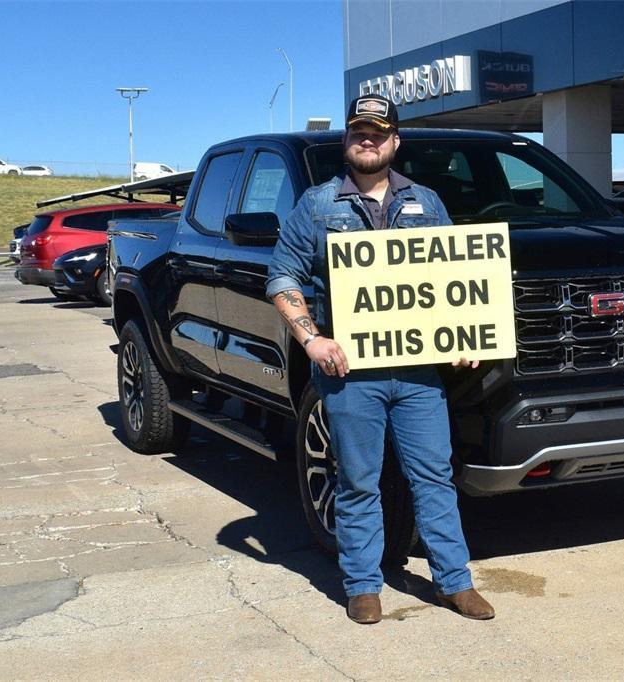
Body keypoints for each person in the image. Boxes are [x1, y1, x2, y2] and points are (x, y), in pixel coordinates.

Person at [266, 95, 495, 625]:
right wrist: (312, 340)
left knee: (434, 476)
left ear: (395, 142)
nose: (367, 140)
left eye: (378, 133)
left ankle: (454, 582)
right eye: (358, 132)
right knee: (357, 480)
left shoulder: (427, 203)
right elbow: (282, 276)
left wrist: (462, 334)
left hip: (418, 373)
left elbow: (453, 281)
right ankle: (363, 585)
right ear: (347, 141)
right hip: (350, 373)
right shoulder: (318, 206)